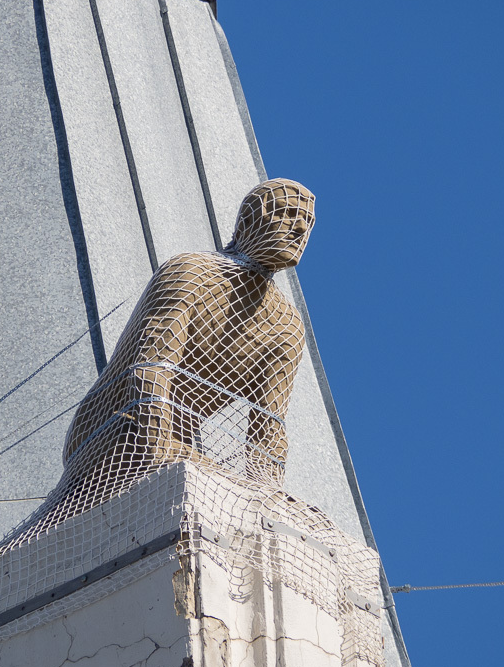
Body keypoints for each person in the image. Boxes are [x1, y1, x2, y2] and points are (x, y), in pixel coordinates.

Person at [33, 178, 317, 531]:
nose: (301, 228)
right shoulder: (192, 272)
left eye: (307, 220)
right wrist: (158, 446)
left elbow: (267, 427)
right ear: (247, 222)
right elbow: (151, 367)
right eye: (287, 213)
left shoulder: (287, 328)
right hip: (107, 434)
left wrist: (267, 495)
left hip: (183, 444)